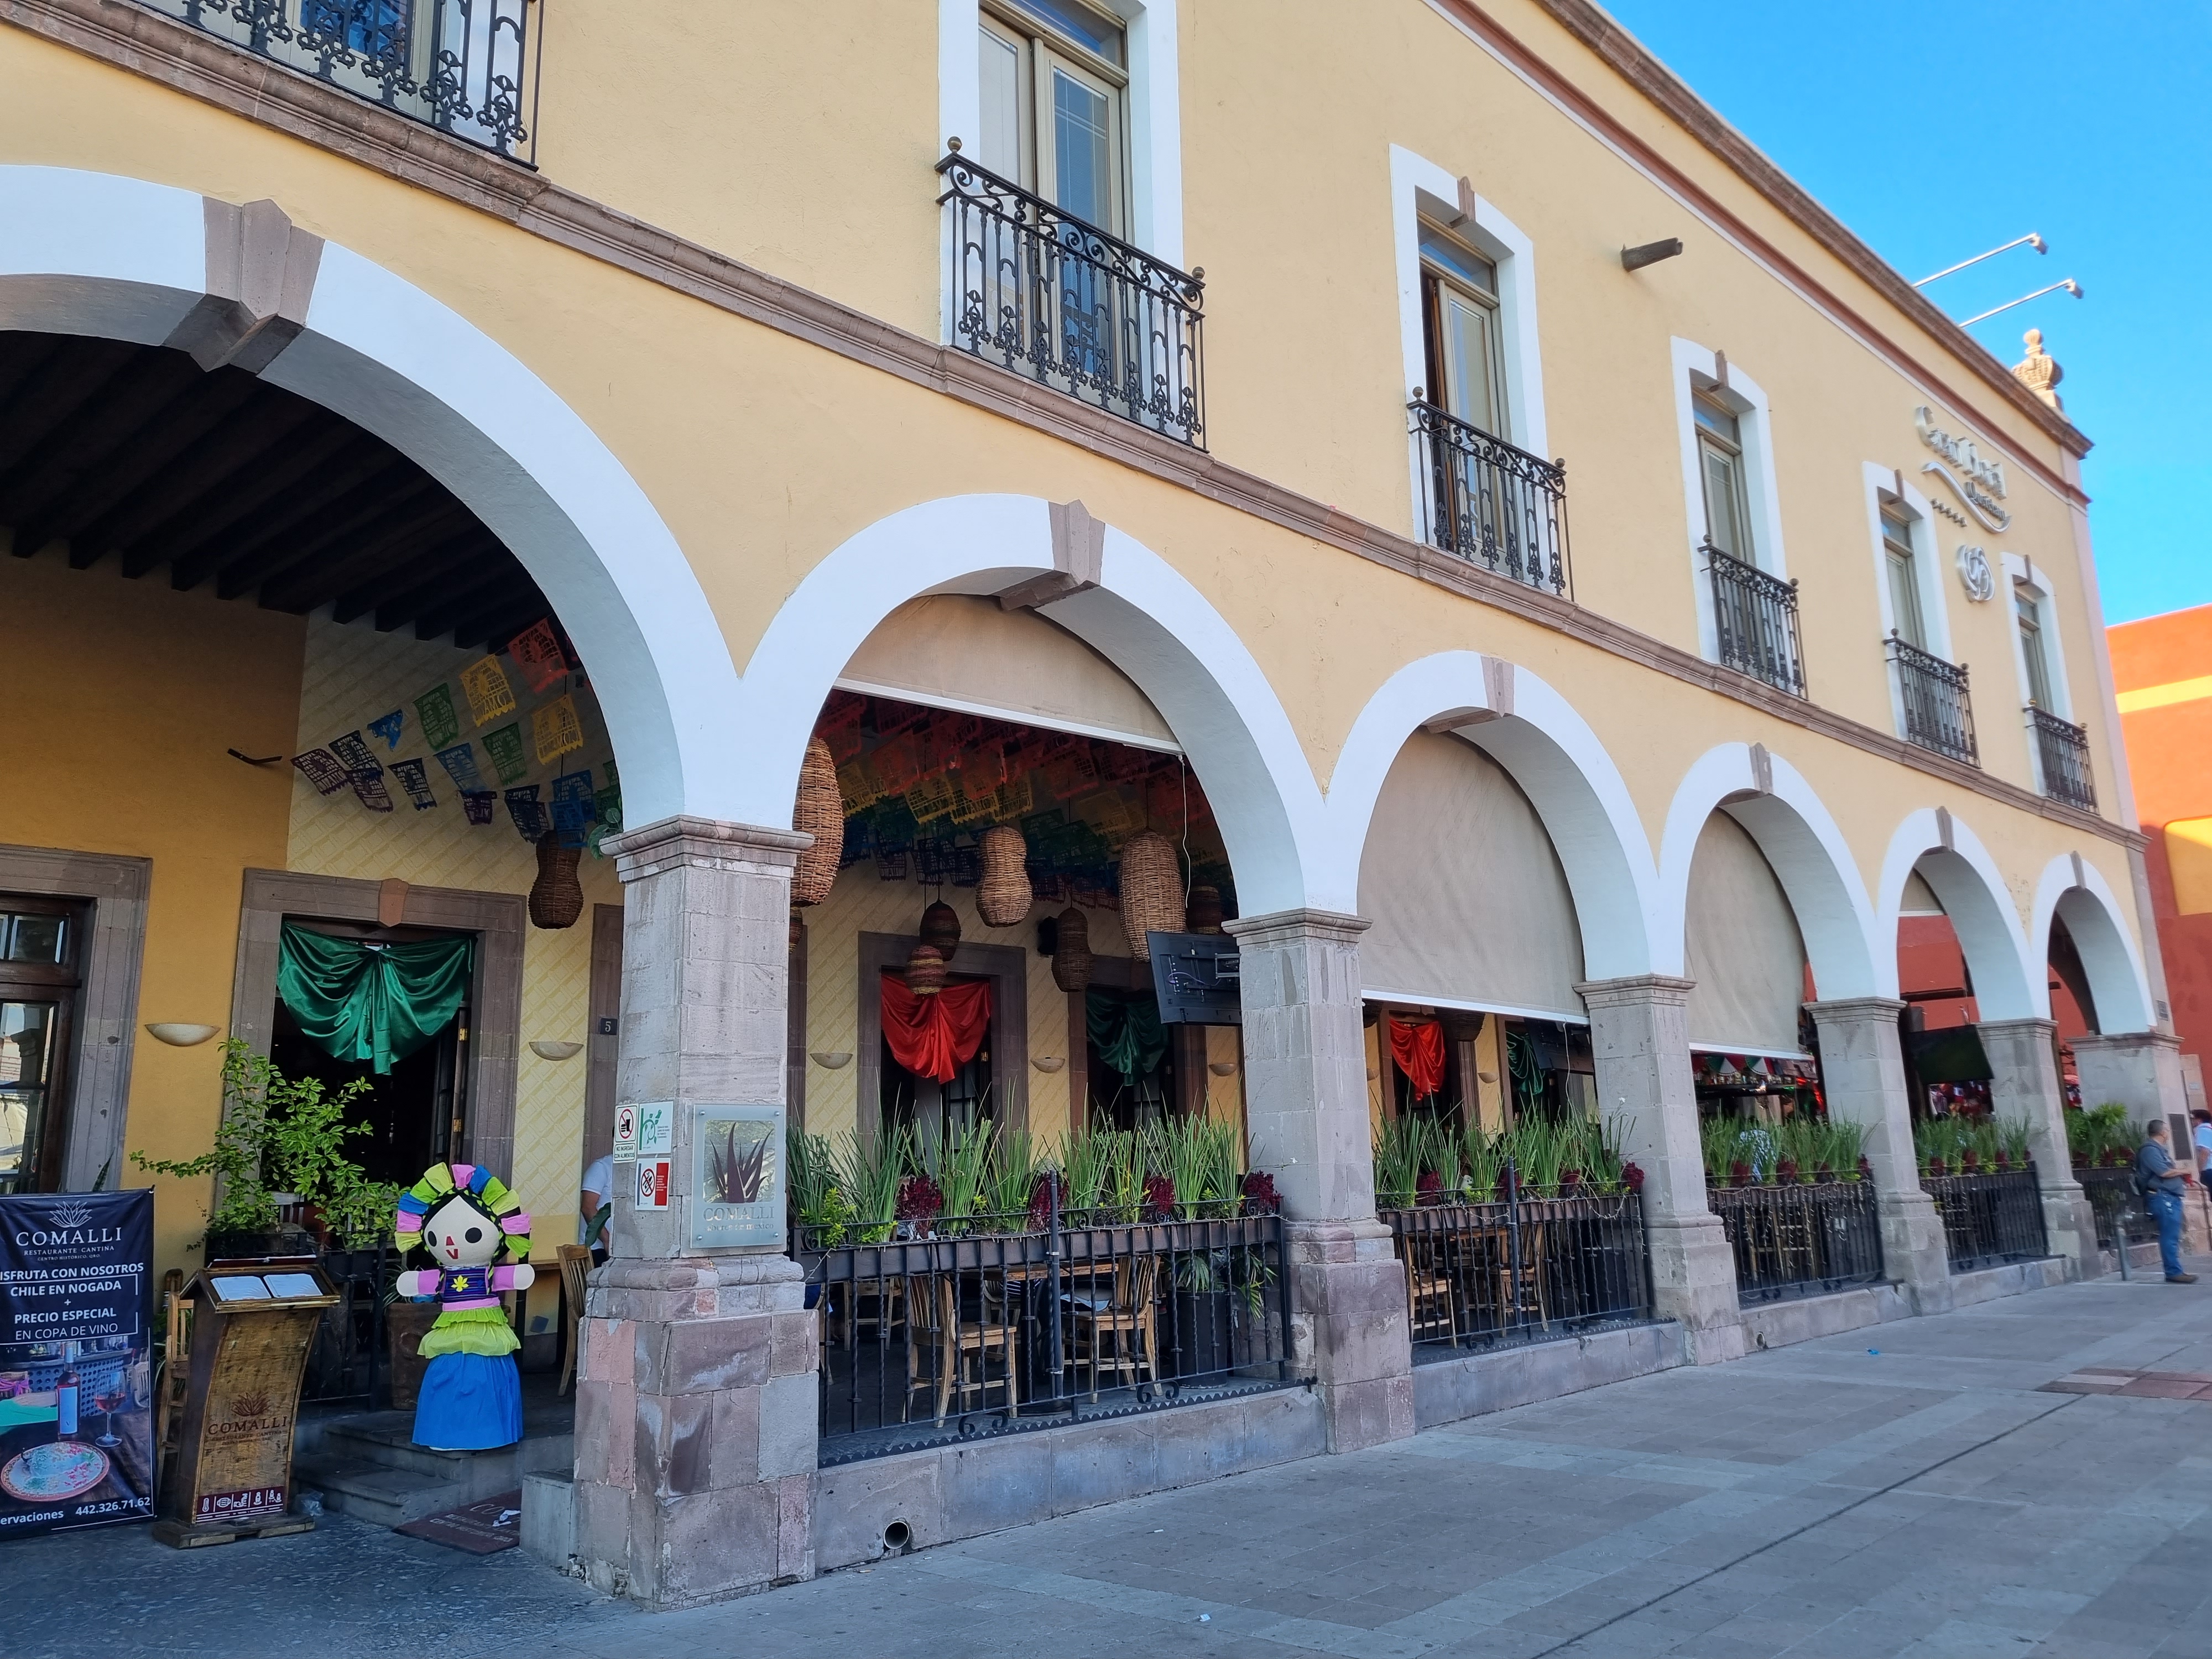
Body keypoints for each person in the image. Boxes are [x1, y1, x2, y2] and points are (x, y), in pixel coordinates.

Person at [2135, 1119, 2196, 1284]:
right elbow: (2163, 1172)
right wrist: (2184, 1171)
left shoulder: (2159, 1150)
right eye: (2167, 1130)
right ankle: (2173, 1272)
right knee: (2169, 1235)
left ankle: (2175, 1270)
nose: (2169, 1133)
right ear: (2162, 1133)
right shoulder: (2150, 1150)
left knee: (2173, 1235)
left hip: (2170, 1196)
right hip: (2163, 1197)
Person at [580, 1152, 615, 1265]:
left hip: (623, 1248)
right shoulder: (602, 1167)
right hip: (596, 1249)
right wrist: (607, 1240)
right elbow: (587, 1208)